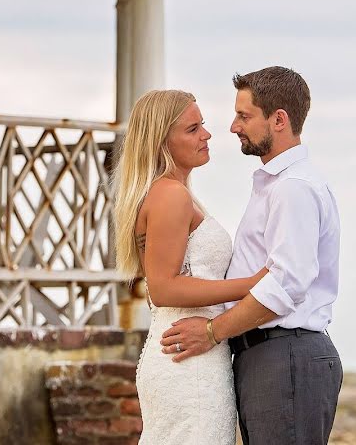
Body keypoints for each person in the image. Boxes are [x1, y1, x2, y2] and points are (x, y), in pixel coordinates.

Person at [161, 66, 343, 445]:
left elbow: (286, 285)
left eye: (244, 116)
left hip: (284, 355)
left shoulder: (292, 188)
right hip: (270, 356)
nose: (232, 127)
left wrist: (212, 332)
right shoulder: (275, 185)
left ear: (279, 120)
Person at [111, 89, 268, 445]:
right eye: (193, 129)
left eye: (203, 126)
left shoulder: (172, 191)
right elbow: (164, 288)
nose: (207, 135)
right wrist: (253, 284)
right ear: (162, 142)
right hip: (188, 361)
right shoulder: (170, 194)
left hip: (187, 353)